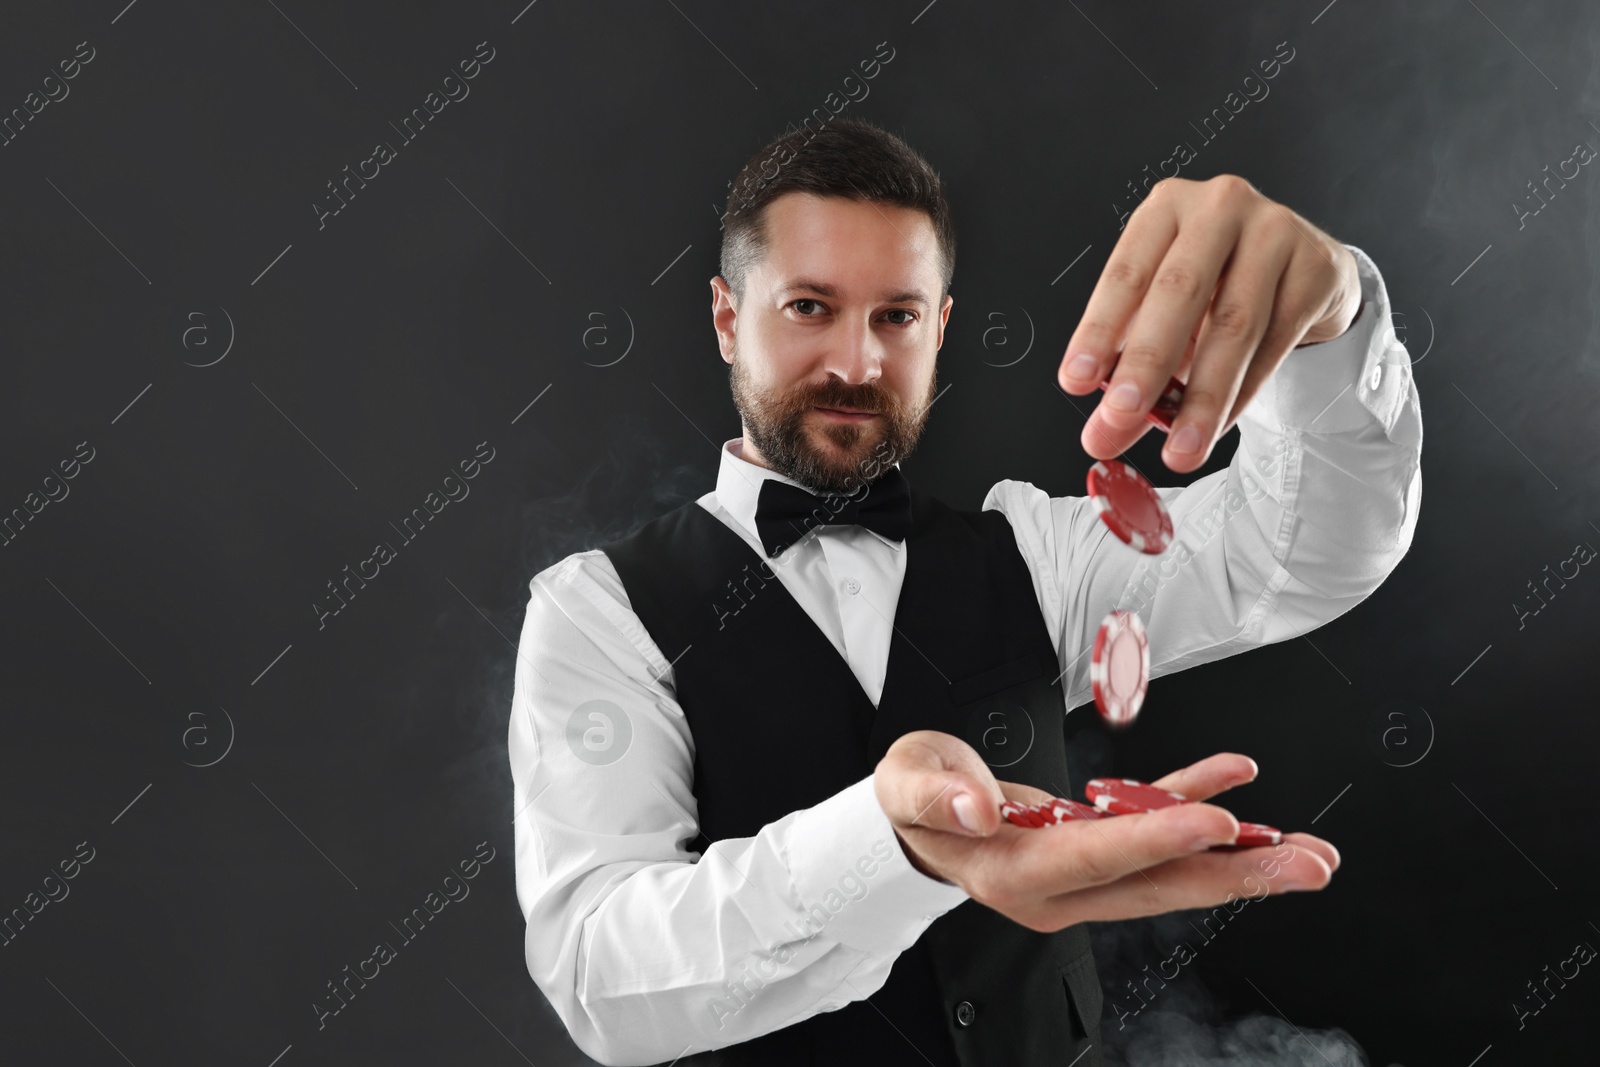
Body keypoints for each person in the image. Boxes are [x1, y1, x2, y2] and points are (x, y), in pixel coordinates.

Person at [507, 117, 1422, 1066]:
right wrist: (894, 843)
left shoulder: (1038, 556)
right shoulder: (597, 609)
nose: (856, 364)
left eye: (896, 316)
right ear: (729, 316)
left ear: (940, 327)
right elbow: (600, 975)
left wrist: (1333, 322)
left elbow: (1308, 549)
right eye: (810, 307)